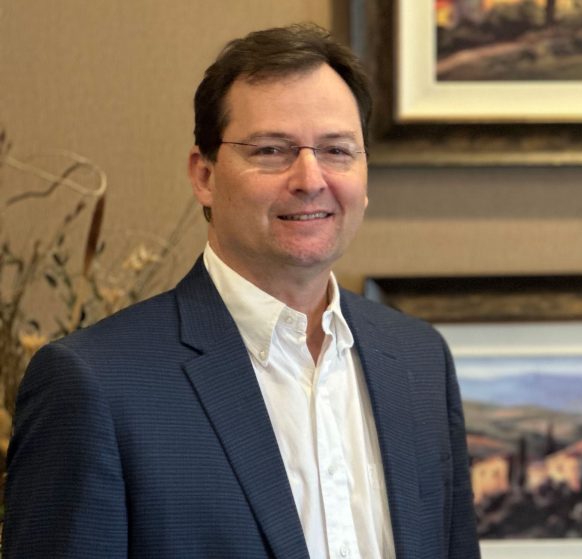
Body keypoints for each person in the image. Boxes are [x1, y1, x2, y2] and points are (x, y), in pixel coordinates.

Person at [3, 24, 480, 559]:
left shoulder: (419, 360)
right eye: (272, 150)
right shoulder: (94, 384)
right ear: (204, 176)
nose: (310, 179)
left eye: (337, 150)